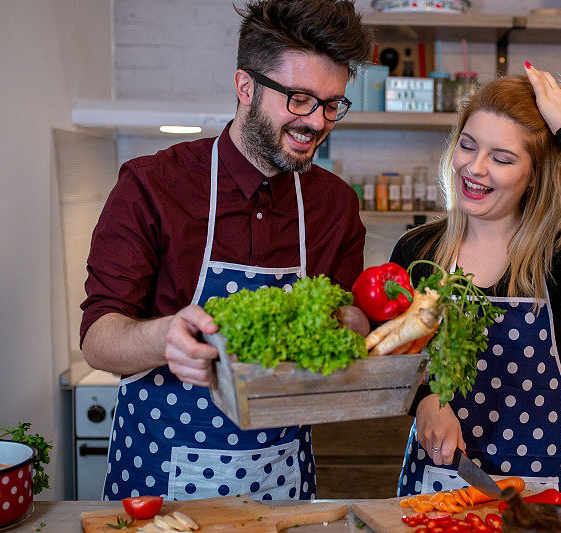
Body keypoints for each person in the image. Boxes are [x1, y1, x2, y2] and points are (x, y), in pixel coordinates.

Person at [80, 0, 373, 501]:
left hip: (282, 480)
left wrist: (350, 325)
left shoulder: (335, 205)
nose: (317, 123)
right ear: (246, 87)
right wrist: (163, 338)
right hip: (159, 480)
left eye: (331, 104)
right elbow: (98, 339)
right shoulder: (152, 186)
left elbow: (351, 317)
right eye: (300, 99)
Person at [392, 62, 561, 496]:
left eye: (502, 158)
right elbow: (393, 357)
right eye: (468, 146)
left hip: (544, 483)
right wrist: (424, 400)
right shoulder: (418, 252)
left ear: (534, 177)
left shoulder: (557, 257)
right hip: (442, 480)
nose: (475, 168)